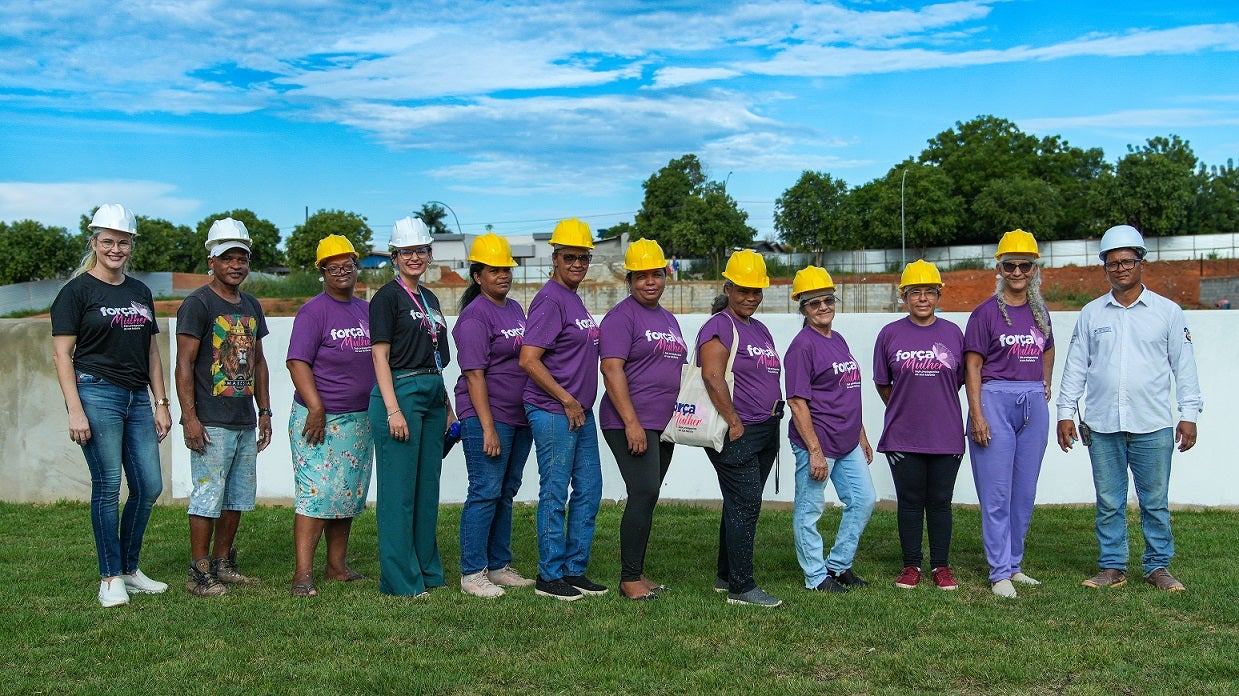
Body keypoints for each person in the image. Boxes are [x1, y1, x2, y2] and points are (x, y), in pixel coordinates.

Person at [1055, 225, 1202, 592]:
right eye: (1112, 263)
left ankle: (1157, 566)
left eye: (1127, 261)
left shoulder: (1167, 312)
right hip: (1102, 424)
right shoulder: (1092, 314)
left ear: (1141, 263)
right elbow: (1075, 367)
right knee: (1109, 501)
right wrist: (1065, 413)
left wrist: (1189, 415)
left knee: (1155, 502)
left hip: (1152, 424)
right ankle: (1112, 566)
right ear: (1105, 267)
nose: (1120, 268)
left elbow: (1184, 367)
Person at [51, 204, 171, 607]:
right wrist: (74, 409)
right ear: (94, 243)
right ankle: (109, 578)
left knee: (149, 485)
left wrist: (160, 402)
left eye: (123, 242)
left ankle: (130, 569)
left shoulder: (140, 292)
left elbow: (151, 351)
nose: (115, 249)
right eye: (108, 241)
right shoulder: (77, 292)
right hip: (96, 393)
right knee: (107, 486)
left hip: (138, 397)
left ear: (131, 245)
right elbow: (62, 355)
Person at [176, 217, 272, 597]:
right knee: (207, 497)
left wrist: (264, 411)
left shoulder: (251, 305)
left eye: (242, 259)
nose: (236, 265)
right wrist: (189, 418)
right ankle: (199, 573)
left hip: (243, 419)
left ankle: (222, 564)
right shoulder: (198, 304)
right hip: (211, 421)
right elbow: (184, 364)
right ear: (211, 261)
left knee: (237, 497)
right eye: (227, 258)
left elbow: (258, 362)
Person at [519, 217, 606, 602]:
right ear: (554, 259)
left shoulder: (572, 297)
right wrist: (566, 399)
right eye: (569, 257)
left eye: (583, 257)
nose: (577, 264)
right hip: (554, 410)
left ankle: (574, 569)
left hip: (578, 411)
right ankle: (549, 575)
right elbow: (528, 359)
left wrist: (576, 403)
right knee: (555, 490)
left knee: (589, 488)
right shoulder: (551, 299)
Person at [963, 229, 1054, 598]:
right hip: (994, 400)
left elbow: (1047, 348)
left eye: (1025, 266)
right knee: (996, 493)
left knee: (1024, 492)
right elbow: (972, 366)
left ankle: (1015, 565)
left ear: (1034, 270)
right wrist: (977, 414)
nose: (1018, 272)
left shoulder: (1040, 311)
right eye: (1010, 265)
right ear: (999, 269)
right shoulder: (984, 313)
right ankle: (999, 571)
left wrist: (1045, 383)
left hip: (1033, 403)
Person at [285, 235, 375, 597]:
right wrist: (317, 406)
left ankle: (337, 566)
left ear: (356, 267)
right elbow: (297, 362)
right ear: (322, 272)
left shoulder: (366, 310)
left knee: (346, 492)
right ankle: (302, 574)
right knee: (316, 493)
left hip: (359, 420)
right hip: (320, 419)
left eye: (347, 265)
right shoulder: (313, 311)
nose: (341, 272)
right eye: (332, 267)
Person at [369, 216, 453, 598]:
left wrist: (447, 405)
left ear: (429, 254)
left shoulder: (430, 298)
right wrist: (392, 410)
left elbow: (436, 356)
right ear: (395, 257)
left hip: (432, 393)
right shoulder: (386, 298)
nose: (414, 257)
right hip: (400, 392)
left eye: (420, 250)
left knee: (426, 491)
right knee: (399, 494)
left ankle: (427, 572)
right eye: (406, 252)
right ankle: (401, 581)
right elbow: (380, 356)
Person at [599, 238, 687, 601]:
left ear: (665, 275)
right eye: (641, 276)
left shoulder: (668, 319)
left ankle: (638, 572)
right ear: (630, 280)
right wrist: (632, 423)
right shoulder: (621, 317)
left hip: (663, 424)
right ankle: (629, 579)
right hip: (630, 421)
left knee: (648, 496)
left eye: (656, 274)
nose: (650, 282)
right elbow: (611, 369)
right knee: (644, 491)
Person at [873, 260, 966, 591]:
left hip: (946, 434)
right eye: (915, 292)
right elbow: (883, 383)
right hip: (903, 434)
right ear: (904, 296)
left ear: (939, 295)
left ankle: (941, 566)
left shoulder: (953, 333)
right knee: (910, 501)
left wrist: (934, 405)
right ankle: (911, 565)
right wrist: (907, 407)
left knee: (940, 501)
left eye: (929, 292)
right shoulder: (890, 334)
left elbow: (957, 380)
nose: (923, 298)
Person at [698, 250, 784, 608]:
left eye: (756, 291)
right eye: (743, 290)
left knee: (740, 502)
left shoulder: (759, 328)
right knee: (746, 503)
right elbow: (711, 376)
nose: (751, 297)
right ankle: (741, 586)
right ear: (728, 289)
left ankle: (725, 574)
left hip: (765, 428)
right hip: (737, 430)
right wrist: (734, 421)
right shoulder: (720, 326)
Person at [453, 233, 536, 599]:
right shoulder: (475, 316)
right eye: (494, 270)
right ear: (478, 276)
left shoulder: (514, 308)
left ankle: (499, 566)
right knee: (485, 491)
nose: (503, 275)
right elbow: (474, 375)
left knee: (506, 491)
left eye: (506, 269)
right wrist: (487, 428)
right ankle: (473, 572)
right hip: (487, 416)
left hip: (518, 415)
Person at [785, 266, 876, 595]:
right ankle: (815, 576)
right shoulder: (802, 347)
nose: (823, 307)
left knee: (863, 500)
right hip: (818, 441)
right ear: (803, 309)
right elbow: (797, 402)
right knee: (810, 509)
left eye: (828, 300)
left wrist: (861, 434)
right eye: (814, 303)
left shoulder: (837, 339)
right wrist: (814, 451)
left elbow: (846, 390)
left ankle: (838, 564)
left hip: (847, 440)